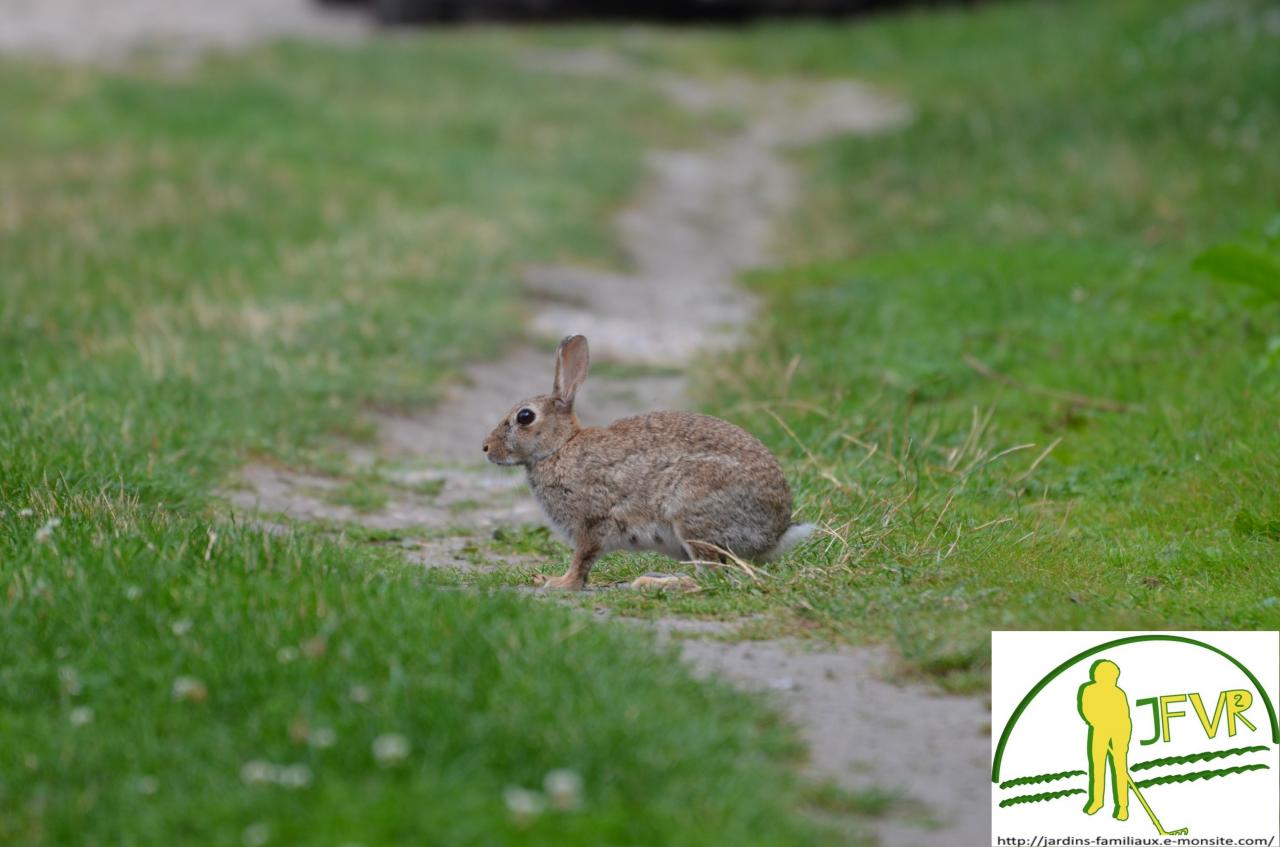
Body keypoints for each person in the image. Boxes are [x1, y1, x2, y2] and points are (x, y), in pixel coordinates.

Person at [1078, 659, 1131, 820]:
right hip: (1100, 730)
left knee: (1120, 769)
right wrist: (1096, 722)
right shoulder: (1089, 690)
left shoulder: (1118, 693)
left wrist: (1123, 740)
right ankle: (1097, 801)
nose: (1110, 679)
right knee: (1098, 768)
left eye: (1112, 676)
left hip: (1119, 732)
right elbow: (1086, 709)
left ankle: (1122, 807)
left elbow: (1125, 717)